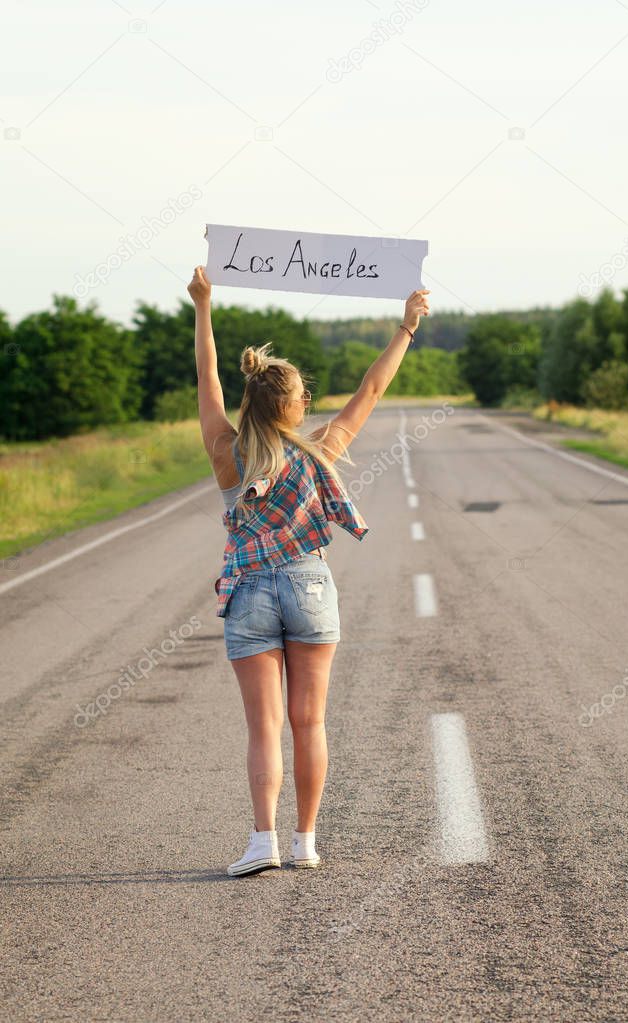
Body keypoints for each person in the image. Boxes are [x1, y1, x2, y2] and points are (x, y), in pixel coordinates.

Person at [187, 265, 430, 877]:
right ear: (294, 409)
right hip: (309, 582)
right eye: (304, 398)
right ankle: (305, 842)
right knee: (309, 721)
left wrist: (203, 305)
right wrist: (406, 327)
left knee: (263, 726)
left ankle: (261, 842)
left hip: (247, 592)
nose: (309, 404)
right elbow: (371, 392)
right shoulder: (318, 447)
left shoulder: (226, 452)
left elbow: (207, 378)